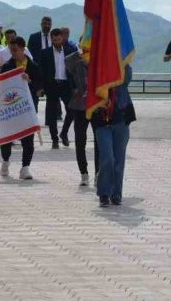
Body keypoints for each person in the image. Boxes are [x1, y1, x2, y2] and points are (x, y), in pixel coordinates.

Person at [0, 37, 43, 179]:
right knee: (7, 139)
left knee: (28, 139)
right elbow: (1, 87)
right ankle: (5, 161)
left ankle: (25, 167)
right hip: (10, 109)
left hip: (27, 109)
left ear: (23, 49)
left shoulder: (33, 66)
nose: (13, 53)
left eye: (15, 50)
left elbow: (41, 87)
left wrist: (29, 81)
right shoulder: (7, 67)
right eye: (11, 50)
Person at [93, 65, 135, 207]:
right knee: (107, 157)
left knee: (119, 159)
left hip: (121, 118)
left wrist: (122, 62)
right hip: (101, 121)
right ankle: (104, 192)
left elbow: (127, 77)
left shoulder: (122, 67)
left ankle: (116, 194)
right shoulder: (96, 68)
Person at [39, 28, 78, 148]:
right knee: (51, 114)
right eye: (54, 39)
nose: (56, 41)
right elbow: (41, 71)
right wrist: (41, 87)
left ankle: (64, 133)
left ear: (62, 38)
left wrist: (76, 86)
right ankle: (54, 139)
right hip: (52, 85)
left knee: (72, 110)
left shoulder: (70, 50)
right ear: (51, 39)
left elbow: (75, 70)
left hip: (66, 84)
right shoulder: (45, 53)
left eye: (59, 39)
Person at [65, 50, 92, 186]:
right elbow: (66, 60)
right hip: (79, 106)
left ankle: (99, 172)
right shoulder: (76, 62)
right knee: (80, 140)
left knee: (100, 140)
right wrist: (79, 51)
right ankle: (84, 172)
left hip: (96, 105)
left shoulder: (98, 61)